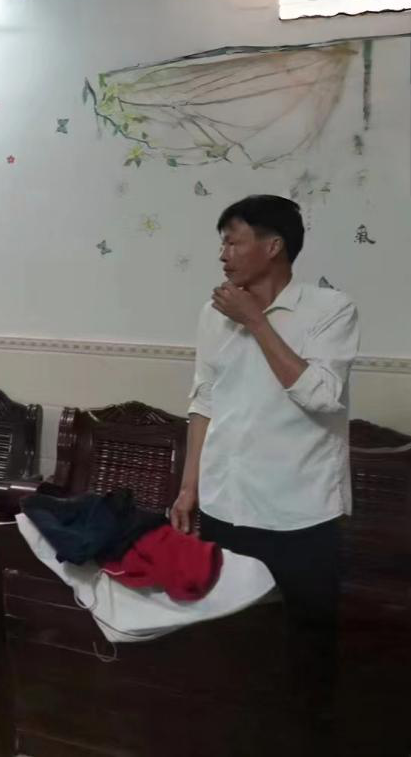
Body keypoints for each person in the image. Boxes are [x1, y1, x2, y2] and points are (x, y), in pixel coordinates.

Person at [170, 194, 358, 754]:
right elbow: (204, 400)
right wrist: (189, 486)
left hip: (302, 509)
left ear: (273, 246)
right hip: (227, 502)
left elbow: (322, 396)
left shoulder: (331, 310)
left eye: (234, 241)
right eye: (222, 243)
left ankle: (308, 738)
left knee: (308, 647)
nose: (223, 254)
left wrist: (255, 321)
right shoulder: (213, 313)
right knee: (232, 637)